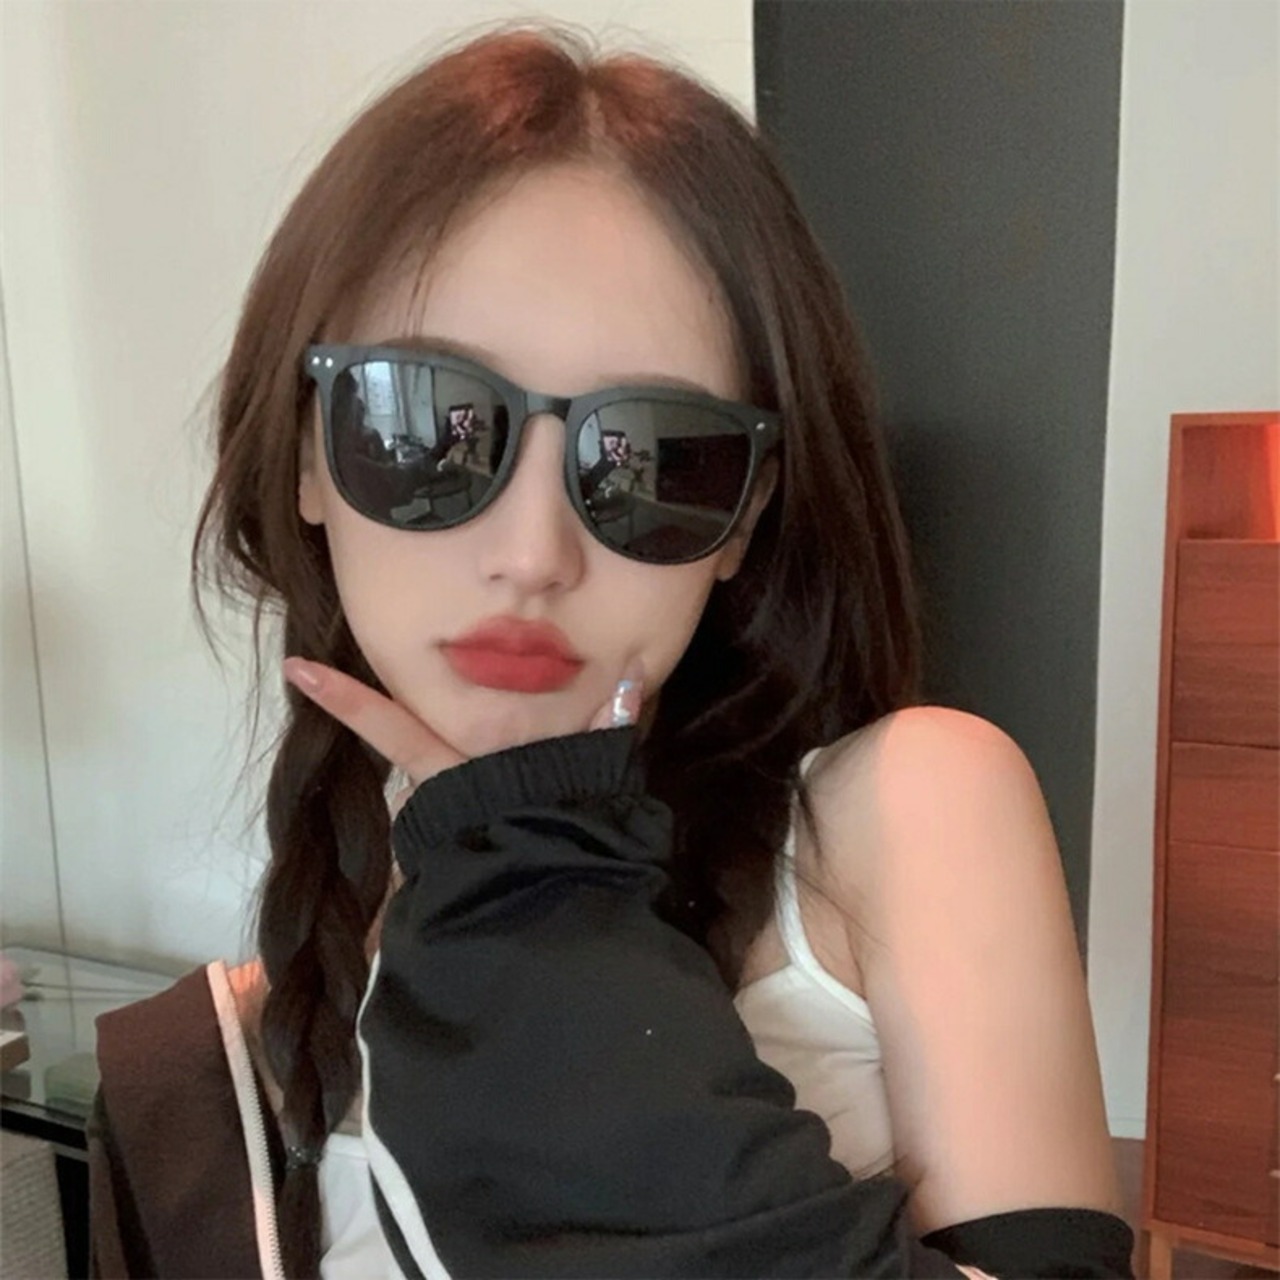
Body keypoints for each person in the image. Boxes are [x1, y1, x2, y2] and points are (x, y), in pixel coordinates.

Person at [87, 23, 1134, 1280]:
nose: (533, 552)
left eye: (651, 460)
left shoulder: (903, 815)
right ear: (310, 453)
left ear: (741, 516)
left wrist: (537, 907)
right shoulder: (212, 1070)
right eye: (429, 425)